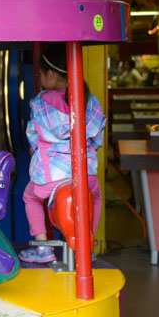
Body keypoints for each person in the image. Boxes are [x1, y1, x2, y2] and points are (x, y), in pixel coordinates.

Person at [19, 45, 106, 264]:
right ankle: (88, 245)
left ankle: (42, 248)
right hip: (85, 174)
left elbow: (33, 137)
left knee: (30, 197)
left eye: (40, 73)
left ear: (50, 74)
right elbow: (97, 140)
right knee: (95, 198)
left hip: (51, 176)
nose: (39, 77)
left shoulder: (40, 102)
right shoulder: (90, 101)